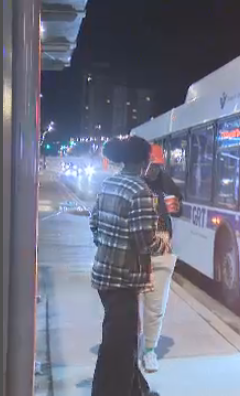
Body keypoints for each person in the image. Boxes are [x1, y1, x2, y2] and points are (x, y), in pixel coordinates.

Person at [89, 136, 167, 396]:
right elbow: (144, 240)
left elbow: (94, 224)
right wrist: (163, 245)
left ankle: (137, 390)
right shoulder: (141, 191)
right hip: (124, 280)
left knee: (121, 339)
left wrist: (110, 246)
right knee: (119, 346)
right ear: (144, 162)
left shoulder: (109, 183)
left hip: (104, 275)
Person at [139, 144, 182, 373]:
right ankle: (129, 347)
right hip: (136, 248)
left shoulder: (164, 182)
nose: (154, 170)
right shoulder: (132, 183)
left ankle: (149, 350)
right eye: (151, 165)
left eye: (157, 166)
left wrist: (174, 205)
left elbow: (178, 204)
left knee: (156, 306)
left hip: (161, 245)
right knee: (128, 305)